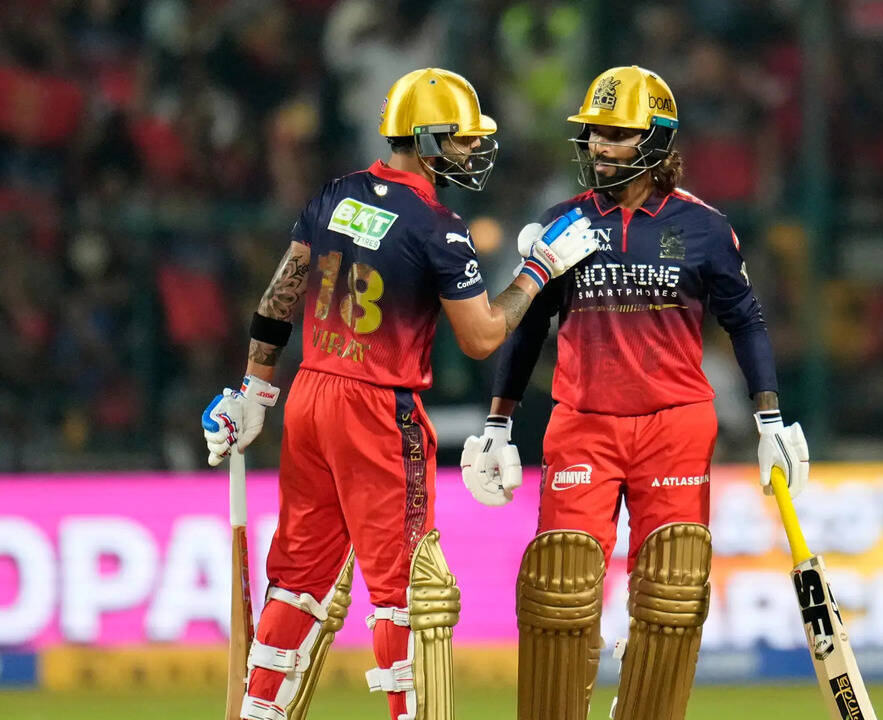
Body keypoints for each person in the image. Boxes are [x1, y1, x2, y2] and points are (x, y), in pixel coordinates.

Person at [201, 68, 597, 720]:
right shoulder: (438, 227)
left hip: (310, 397)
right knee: (405, 590)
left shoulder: (334, 195)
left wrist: (253, 391)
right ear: (428, 137)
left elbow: (278, 299)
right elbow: (482, 337)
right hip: (378, 409)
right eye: (462, 139)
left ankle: (259, 710)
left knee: (298, 578)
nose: (472, 151)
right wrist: (537, 272)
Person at [460, 66, 810, 720]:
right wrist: (499, 423)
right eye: (594, 132)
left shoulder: (704, 228)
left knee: (674, 591)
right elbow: (529, 327)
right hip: (583, 424)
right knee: (560, 584)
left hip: (674, 426)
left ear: (656, 140)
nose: (599, 144)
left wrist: (770, 420)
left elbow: (746, 320)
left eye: (617, 133)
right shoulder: (562, 224)